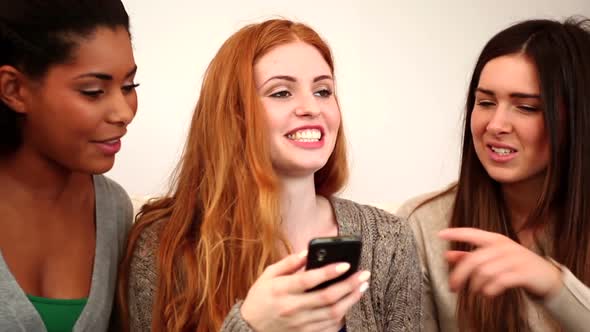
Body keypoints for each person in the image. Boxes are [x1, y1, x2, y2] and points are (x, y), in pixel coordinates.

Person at [119, 19, 421, 332]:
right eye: (281, 93)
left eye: (322, 91)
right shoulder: (164, 245)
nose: (311, 107)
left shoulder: (390, 241)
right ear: (233, 114)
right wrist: (251, 325)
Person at [398, 17, 590, 332]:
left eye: (526, 107)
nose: (495, 124)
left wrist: (555, 286)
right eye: (485, 102)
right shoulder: (421, 224)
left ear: (577, 119)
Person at [0, 1, 138, 331]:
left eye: (129, 86)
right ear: (14, 89)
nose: (124, 112)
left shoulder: (114, 210)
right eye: (93, 91)